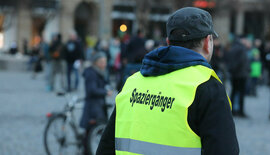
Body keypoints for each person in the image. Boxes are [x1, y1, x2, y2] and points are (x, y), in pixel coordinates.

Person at [96, 7, 239, 155]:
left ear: (168, 41)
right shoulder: (207, 86)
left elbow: (106, 147)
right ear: (207, 42)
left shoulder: (132, 82)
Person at [80, 52, 113, 154]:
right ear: (96, 62)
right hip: (93, 107)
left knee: (91, 132)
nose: (104, 64)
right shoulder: (91, 73)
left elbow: (105, 84)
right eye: (102, 62)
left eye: (105, 62)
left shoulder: (100, 71)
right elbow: (92, 90)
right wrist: (105, 92)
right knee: (91, 132)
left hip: (98, 106)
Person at [227, 36, 250, 117]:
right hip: (241, 74)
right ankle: (240, 111)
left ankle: (232, 110)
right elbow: (242, 62)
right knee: (241, 94)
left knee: (234, 92)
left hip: (235, 74)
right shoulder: (241, 48)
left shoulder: (233, 47)